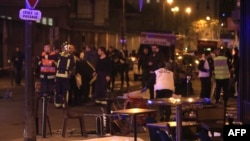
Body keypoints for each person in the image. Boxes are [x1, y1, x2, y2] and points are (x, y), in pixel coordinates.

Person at [54, 43, 75, 108]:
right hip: (58, 74)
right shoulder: (59, 55)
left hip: (65, 75)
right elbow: (54, 60)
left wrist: (70, 73)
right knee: (58, 89)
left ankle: (64, 103)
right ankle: (58, 103)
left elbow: (72, 66)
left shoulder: (71, 56)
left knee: (65, 90)